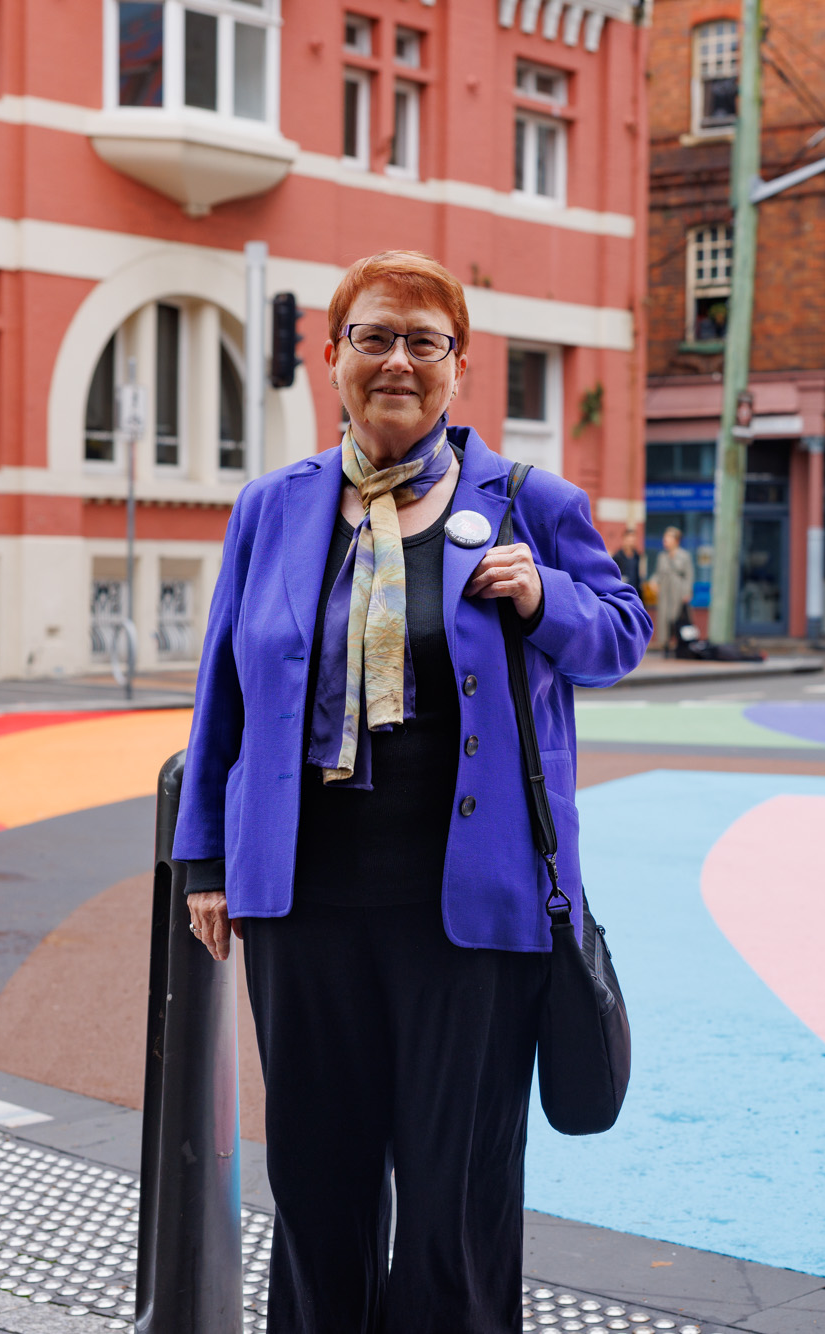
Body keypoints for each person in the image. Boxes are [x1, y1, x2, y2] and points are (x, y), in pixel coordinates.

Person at [171, 250, 651, 1333]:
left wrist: (547, 595)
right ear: (332, 356)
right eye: (374, 336)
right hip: (305, 905)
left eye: (423, 341)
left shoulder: (532, 502)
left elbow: (622, 635)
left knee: (454, 1200)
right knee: (316, 1185)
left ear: (458, 366)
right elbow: (224, 697)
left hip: (472, 916)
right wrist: (204, 859)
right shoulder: (272, 509)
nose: (397, 360)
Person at [651, 526, 695, 651]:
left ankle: (681, 644)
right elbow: (658, 574)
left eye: (667, 539)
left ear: (676, 540)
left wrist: (687, 592)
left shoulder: (684, 556)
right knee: (664, 618)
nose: (665, 542)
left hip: (678, 591)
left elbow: (689, 575)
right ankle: (665, 644)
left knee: (677, 618)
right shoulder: (662, 556)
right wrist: (653, 582)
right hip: (665, 590)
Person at [612, 524, 645, 589]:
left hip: (635, 590)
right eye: (629, 540)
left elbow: (637, 576)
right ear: (624, 539)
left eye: (633, 540)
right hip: (622, 591)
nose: (631, 543)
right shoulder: (617, 557)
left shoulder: (636, 556)